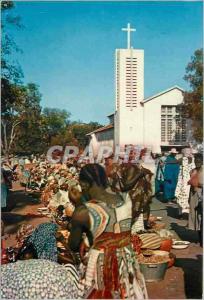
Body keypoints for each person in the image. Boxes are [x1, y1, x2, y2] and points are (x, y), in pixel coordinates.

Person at [68, 163, 148, 299]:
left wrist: (85, 240)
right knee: (127, 293)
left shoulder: (83, 211)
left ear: (84, 184)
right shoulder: (127, 200)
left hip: (100, 263)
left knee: (99, 293)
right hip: (126, 261)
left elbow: (73, 245)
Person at [188, 153, 203, 246]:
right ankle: (200, 238)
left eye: (198, 161)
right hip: (193, 195)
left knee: (201, 217)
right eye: (195, 161)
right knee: (196, 217)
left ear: (202, 161)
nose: (197, 162)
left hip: (201, 195)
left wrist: (198, 184)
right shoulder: (192, 171)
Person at [175, 149, 195, 217]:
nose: (188, 153)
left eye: (189, 152)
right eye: (187, 152)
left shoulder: (192, 160)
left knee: (186, 196)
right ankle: (181, 212)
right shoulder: (184, 160)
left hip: (187, 181)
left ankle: (183, 212)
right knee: (183, 196)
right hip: (183, 180)